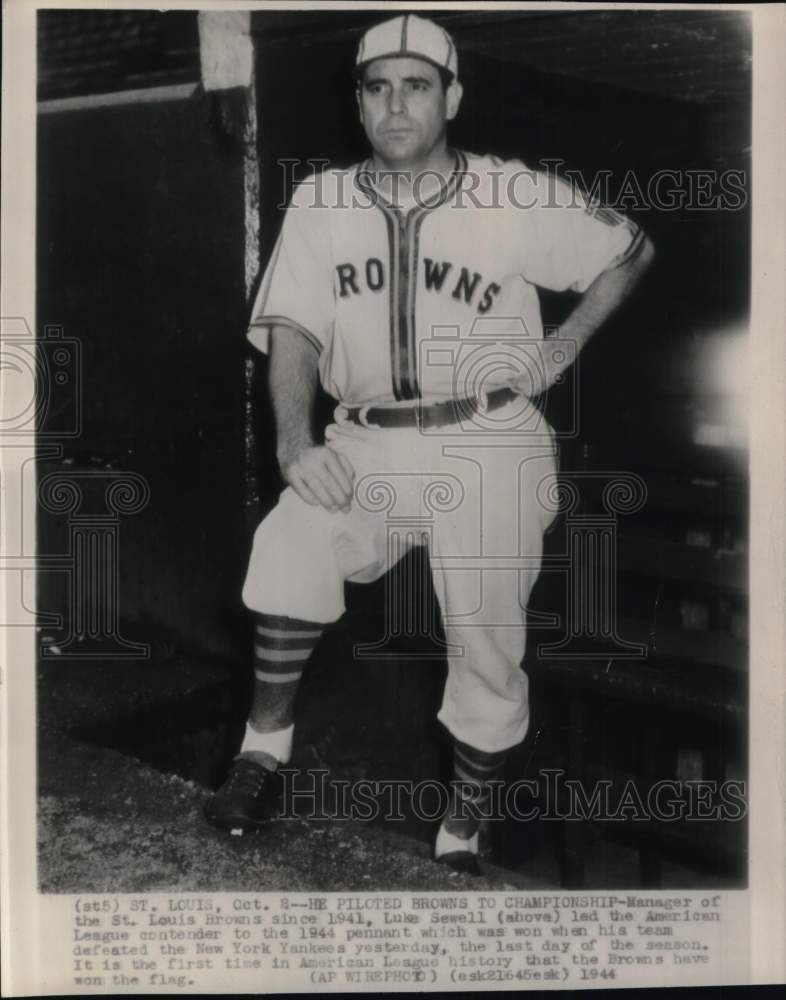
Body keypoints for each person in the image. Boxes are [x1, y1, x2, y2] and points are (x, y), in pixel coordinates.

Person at [204, 13, 654, 873]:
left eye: (416, 86)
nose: (395, 106)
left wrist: (565, 345)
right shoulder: (320, 201)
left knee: (484, 635)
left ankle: (463, 826)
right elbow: (293, 331)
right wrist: (297, 445)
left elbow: (629, 248)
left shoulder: (511, 192)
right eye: (377, 88)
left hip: (489, 435)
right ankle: (263, 753)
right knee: (289, 542)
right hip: (369, 438)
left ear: (452, 96)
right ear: (359, 102)